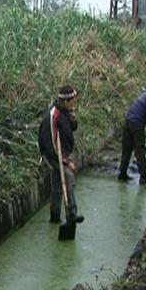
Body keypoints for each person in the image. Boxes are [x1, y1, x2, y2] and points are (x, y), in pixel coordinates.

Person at [38, 85, 85, 224]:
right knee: (68, 177)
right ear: (65, 101)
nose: (74, 103)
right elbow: (51, 142)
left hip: (61, 152)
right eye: (72, 101)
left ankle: (55, 215)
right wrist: (65, 161)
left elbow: (70, 129)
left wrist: (73, 120)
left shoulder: (65, 112)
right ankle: (72, 214)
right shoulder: (53, 116)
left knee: (58, 183)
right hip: (53, 154)